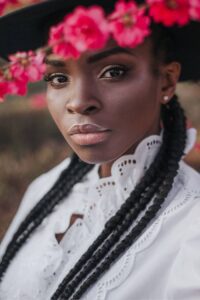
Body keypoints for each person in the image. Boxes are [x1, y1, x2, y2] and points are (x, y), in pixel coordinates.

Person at [0, 0, 200, 299]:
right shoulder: (45, 189)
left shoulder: (192, 228)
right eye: (58, 78)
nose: (79, 101)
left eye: (114, 71)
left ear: (167, 81)